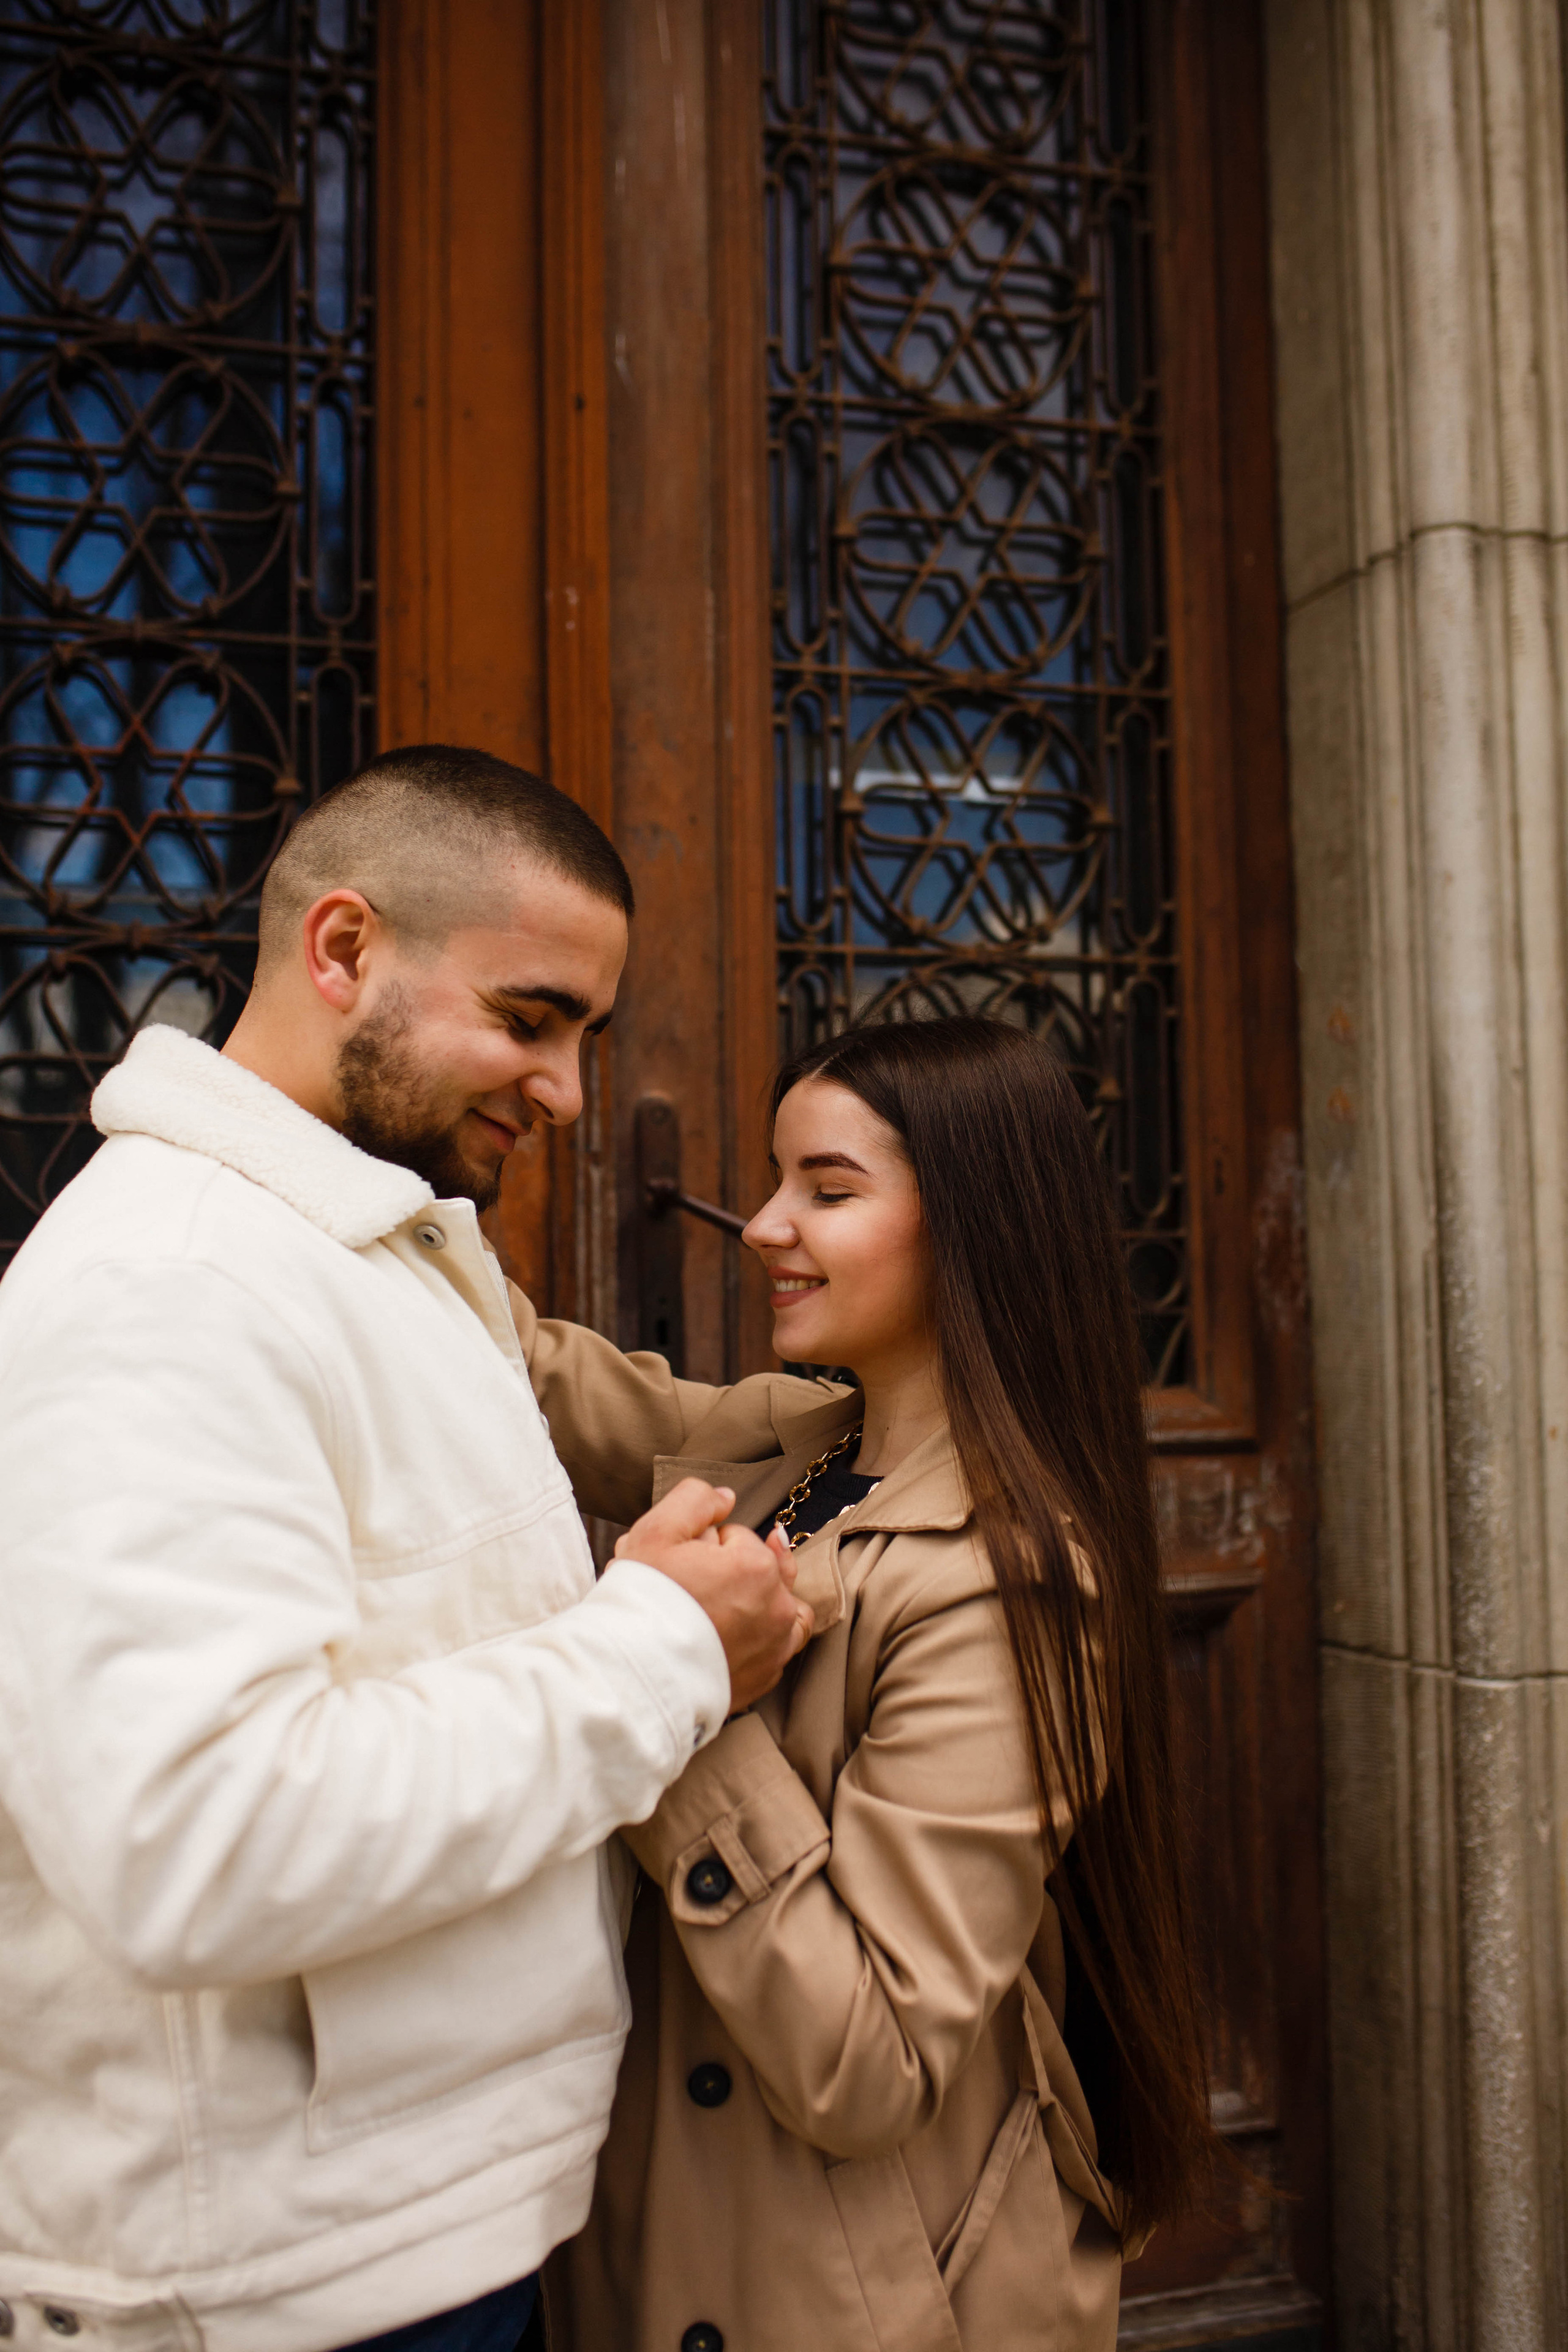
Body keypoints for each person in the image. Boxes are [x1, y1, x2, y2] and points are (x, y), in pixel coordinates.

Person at [0, 746, 808, 2352]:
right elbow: (199, 1839)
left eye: (583, 1033)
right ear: (343, 950)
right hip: (271, 2296)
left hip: (419, 2236)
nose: (569, 1094)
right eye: (530, 1020)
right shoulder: (171, 1282)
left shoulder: (365, 1246)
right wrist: (659, 1646)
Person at [514, 1016, 1219, 2350]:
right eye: (777, 1181)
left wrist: (683, 1690)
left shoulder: (1001, 1578)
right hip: (661, 2228)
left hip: (851, 2293)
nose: (763, 1225)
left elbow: (869, 2061)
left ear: (974, 1221)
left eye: (827, 1192)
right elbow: (547, 1385)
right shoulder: (799, 1441)